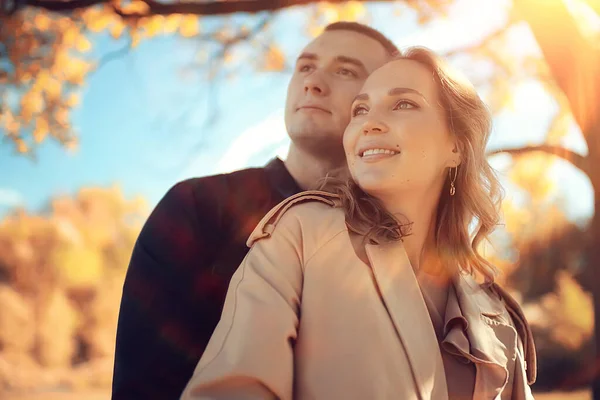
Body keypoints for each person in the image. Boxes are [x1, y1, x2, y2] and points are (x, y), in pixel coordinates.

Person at [180, 47, 537, 400]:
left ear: (456, 146)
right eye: (360, 109)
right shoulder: (301, 233)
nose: (369, 122)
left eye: (403, 104)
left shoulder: (497, 313)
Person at [111, 22, 399, 399]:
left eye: (345, 71)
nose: (313, 83)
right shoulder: (197, 206)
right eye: (305, 66)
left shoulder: (398, 243)